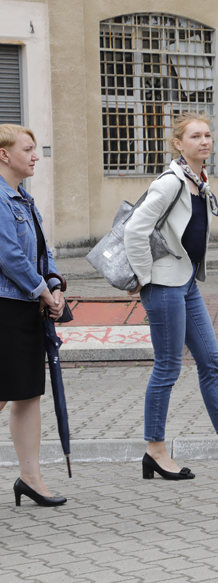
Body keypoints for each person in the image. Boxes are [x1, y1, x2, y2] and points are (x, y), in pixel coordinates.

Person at [124, 112, 218, 480]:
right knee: (167, 368)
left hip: (187, 283)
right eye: (195, 136)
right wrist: (144, 277)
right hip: (164, 286)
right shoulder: (169, 183)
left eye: (207, 135)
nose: (204, 141)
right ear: (178, 143)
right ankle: (155, 450)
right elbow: (134, 230)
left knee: (211, 362)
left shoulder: (198, 180)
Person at [0, 124, 67, 507]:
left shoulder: (23, 198)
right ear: (4, 154)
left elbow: (43, 251)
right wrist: (42, 290)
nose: (36, 156)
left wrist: (54, 286)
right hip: (6, 306)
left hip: (26, 307)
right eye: (27, 149)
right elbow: (9, 255)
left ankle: (31, 478)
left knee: (27, 394)